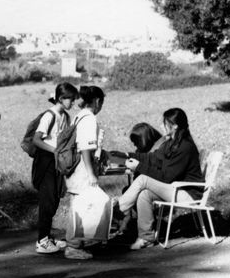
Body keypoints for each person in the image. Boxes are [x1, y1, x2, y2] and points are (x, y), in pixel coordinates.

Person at [114, 108, 204, 250]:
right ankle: (146, 237)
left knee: (143, 179)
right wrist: (126, 154)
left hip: (188, 193)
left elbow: (166, 177)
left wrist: (138, 167)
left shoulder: (185, 147)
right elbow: (152, 158)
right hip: (176, 188)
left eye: (165, 123)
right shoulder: (171, 143)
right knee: (144, 194)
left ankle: (116, 212)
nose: (161, 126)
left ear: (175, 126)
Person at [31, 82, 79, 254]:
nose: (73, 103)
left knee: (55, 199)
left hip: (56, 161)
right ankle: (41, 240)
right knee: (47, 201)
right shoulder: (49, 116)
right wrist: (55, 151)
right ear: (61, 98)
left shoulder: (64, 116)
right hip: (46, 162)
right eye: (71, 100)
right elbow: (36, 140)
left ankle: (47, 237)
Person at [62, 85, 107, 260]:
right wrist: (91, 174)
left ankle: (75, 244)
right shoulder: (89, 119)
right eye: (101, 103)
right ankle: (73, 246)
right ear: (96, 101)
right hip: (82, 171)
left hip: (73, 170)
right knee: (79, 209)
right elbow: (86, 149)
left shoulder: (78, 116)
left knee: (78, 206)